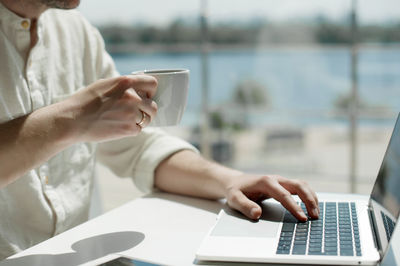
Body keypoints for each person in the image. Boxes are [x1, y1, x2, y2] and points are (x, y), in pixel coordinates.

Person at [0, 0, 319, 260]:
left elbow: (137, 146)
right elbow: (89, 123)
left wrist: (230, 181)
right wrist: (70, 120)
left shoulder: (76, 32)